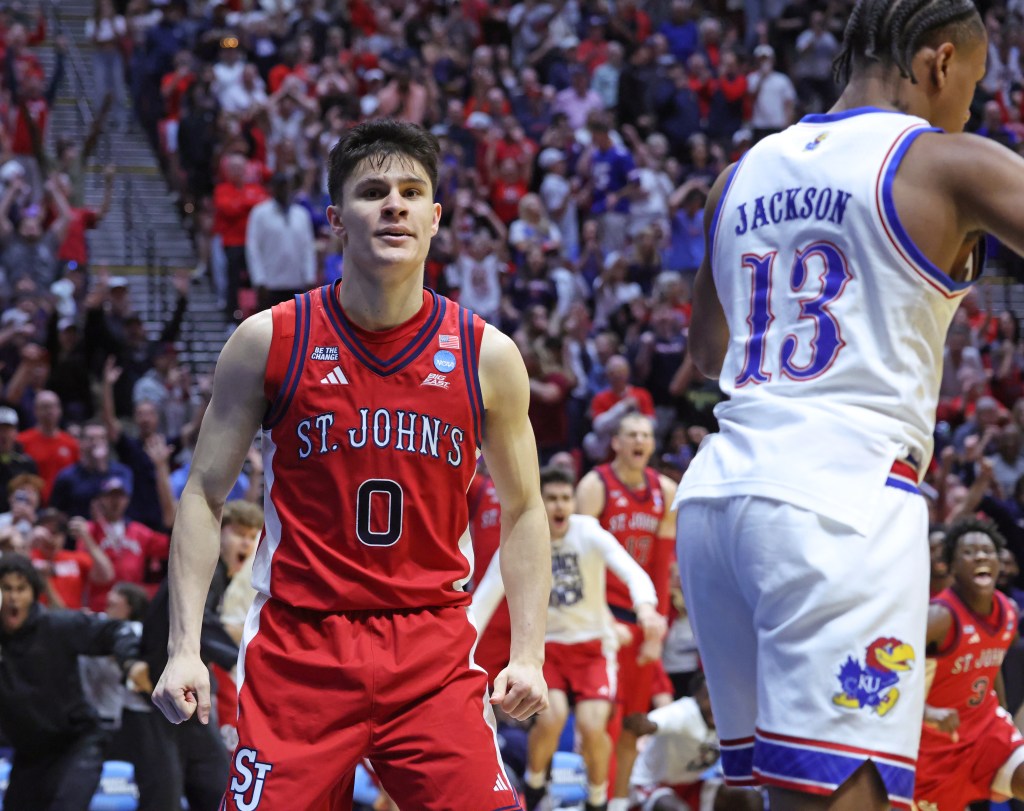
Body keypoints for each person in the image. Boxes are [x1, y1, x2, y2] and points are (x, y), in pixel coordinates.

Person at [675, 0, 1024, 808]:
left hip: (721, 497)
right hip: (840, 503)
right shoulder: (945, 162)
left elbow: (706, 352)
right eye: (970, 85)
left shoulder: (741, 173)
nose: (968, 106)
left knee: (760, 791)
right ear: (939, 63)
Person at [152, 118, 549, 810]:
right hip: (300, 648)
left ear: (435, 218)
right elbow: (203, 495)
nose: (393, 204)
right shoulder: (267, 340)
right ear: (335, 218)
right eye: (372, 191)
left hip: (430, 648)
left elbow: (523, 509)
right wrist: (184, 645)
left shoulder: (488, 355)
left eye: (410, 190)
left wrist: (530, 652)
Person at [473, 466, 666, 811]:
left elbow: (632, 570)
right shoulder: (522, 540)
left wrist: (646, 608)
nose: (560, 506)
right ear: (539, 503)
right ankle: (534, 784)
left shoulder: (588, 531)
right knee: (551, 718)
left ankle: (597, 799)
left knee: (593, 727)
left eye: (566, 498)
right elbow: (485, 596)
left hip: (593, 646)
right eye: (552, 499)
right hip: (548, 650)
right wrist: (462, 644)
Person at [576, 412, 677, 806]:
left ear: (652, 445)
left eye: (646, 435)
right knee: (602, 722)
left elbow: (662, 568)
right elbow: (580, 560)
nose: (640, 440)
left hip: (643, 615)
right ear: (615, 442)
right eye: (632, 434)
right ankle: (595, 796)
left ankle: (618, 802)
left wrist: (658, 628)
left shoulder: (665, 491)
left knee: (634, 722)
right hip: (604, 614)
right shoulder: (594, 485)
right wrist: (596, 619)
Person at [0, 553, 146, 811]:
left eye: (21, 589)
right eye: (6, 588)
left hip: (77, 743)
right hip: (30, 755)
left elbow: (114, 630)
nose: (13, 597)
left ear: (33, 593)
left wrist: (130, 663)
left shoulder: (57, 625)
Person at [915, 518, 1024, 809]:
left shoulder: (1009, 613)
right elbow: (889, 671)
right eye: (969, 552)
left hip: (986, 732)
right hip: (930, 747)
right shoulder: (938, 618)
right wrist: (926, 712)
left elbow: (992, 667)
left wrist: (1003, 712)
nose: (980, 556)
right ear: (951, 567)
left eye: (988, 551)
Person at [622, 674, 764, 811]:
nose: (715, 704)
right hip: (649, 783)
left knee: (749, 798)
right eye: (709, 697)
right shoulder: (684, 712)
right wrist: (644, 724)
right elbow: (652, 722)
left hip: (692, 784)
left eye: (720, 697)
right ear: (696, 697)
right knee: (677, 809)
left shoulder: (733, 718)